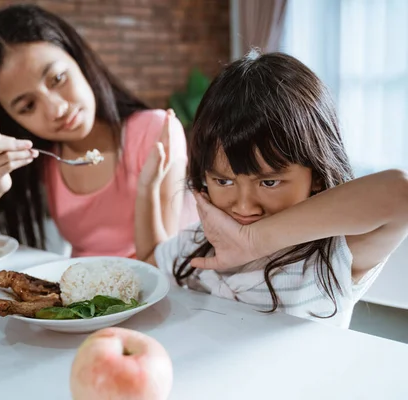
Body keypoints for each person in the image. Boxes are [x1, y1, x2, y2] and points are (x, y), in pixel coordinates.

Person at [137, 50, 408, 328]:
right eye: (223, 181)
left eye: (269, 182)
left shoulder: (331, 254)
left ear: (315, 174)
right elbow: (149, 265)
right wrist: (146, 188)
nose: (244, 207)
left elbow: (400, 193)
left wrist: (253, 240)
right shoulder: (201, 242)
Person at [0, 4, 195, 257]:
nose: (56, 109)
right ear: (13, 120)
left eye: (57, 79)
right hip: (84, 294)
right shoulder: (42, 157)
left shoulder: (155, 130)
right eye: (28, 106)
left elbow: (162, 258)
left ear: (78, 58)